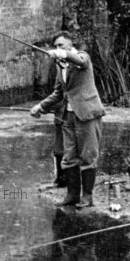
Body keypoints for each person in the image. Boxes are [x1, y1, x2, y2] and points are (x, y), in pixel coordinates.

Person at [31, 31, 106, 208]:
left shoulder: (82, 56)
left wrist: (64, 54)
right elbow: (58, 93)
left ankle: (87, 197)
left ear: (70, 46)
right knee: (69, 156)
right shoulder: (60, 67)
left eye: (61, 45)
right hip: (68, 116)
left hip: (87, 114)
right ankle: (72, 195)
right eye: (55, 46)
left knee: (88, 156)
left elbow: (80, 61)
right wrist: (40, 107)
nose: (58, 49)